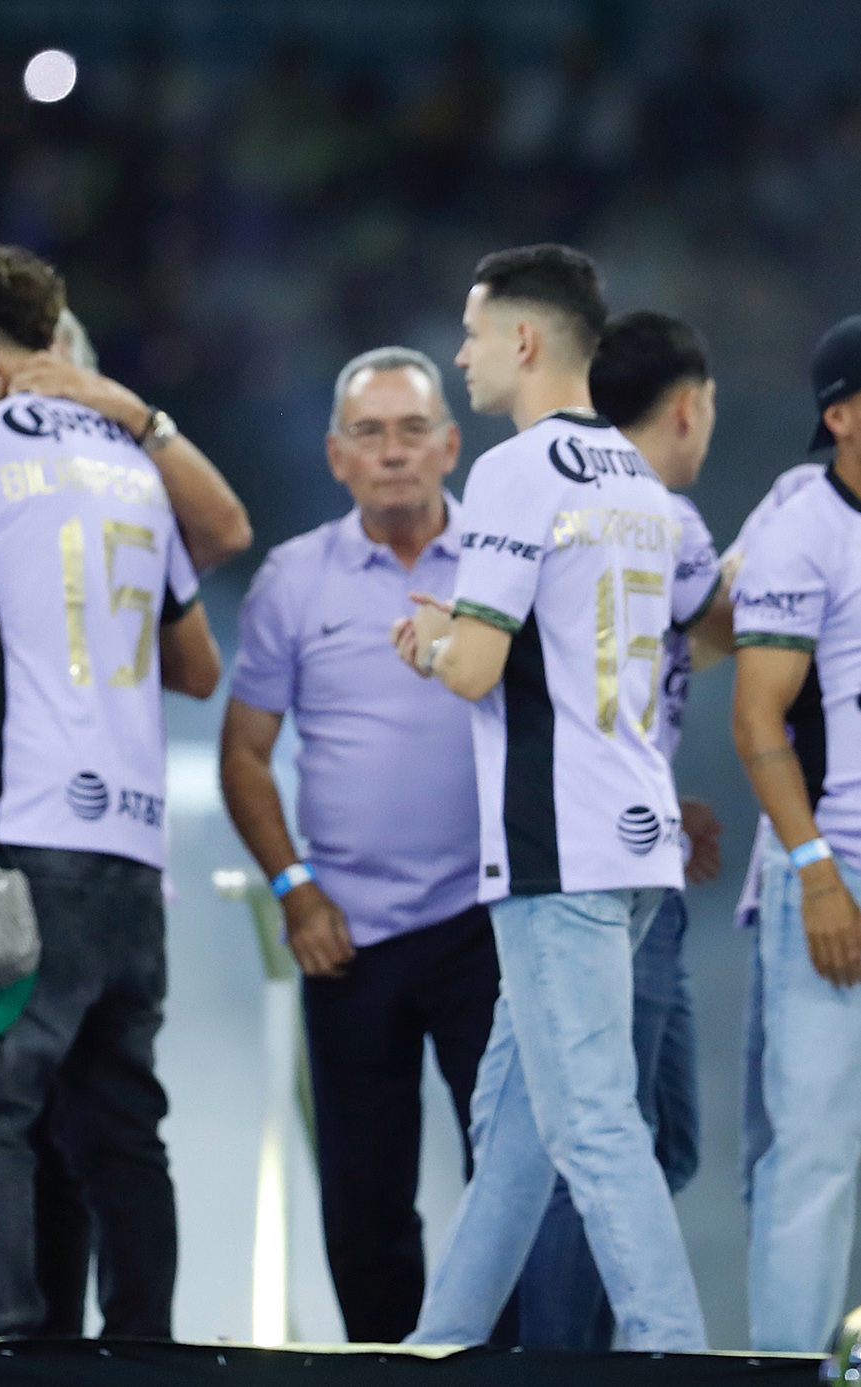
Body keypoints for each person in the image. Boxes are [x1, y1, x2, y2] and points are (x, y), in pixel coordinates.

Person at [0, 243, 222, 1338]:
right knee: (122, 1121)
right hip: (133, 852)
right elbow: (200, 658)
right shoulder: (133, 463)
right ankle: (143, 1353)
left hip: (14, 838)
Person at [393, 244, 706, 1351]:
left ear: (523, 341)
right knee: (518, 1127)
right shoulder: (635, 478)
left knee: (589, 1124)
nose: (462, 353)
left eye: (473, 333)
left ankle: (670, 1350)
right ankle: (442, 1345)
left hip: (553, 845)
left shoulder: (520, 471)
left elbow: (475, 669)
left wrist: (430, 636)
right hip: (631, 839)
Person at [219, 346, 494, 1343]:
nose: (392, 453)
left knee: (508, 1179)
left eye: (412, 429)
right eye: (369, 434)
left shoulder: (504, 566)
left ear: (449, 445)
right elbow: (244, 755)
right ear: (336, 456)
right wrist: (293, 889)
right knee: (365, 1201)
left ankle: (502, 1374)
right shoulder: (293, 580)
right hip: (344, 932)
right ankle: (384, 1373)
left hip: (487, 924)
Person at [516, 309, 730, 1347]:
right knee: (603, 1139)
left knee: (632, 1136)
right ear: (686, 405)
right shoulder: (660, 515)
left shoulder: (568, 493)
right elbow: (732, 623)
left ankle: (550, 1346)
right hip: (600, 855)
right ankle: (575, 1358)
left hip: (611, 837)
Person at [730, 313, 861, 1351]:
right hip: (837, 871)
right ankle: (783, 1369)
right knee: (813, 1150)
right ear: (840, 414)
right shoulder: (801, 524)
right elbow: (755, 715)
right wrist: (814, 872)